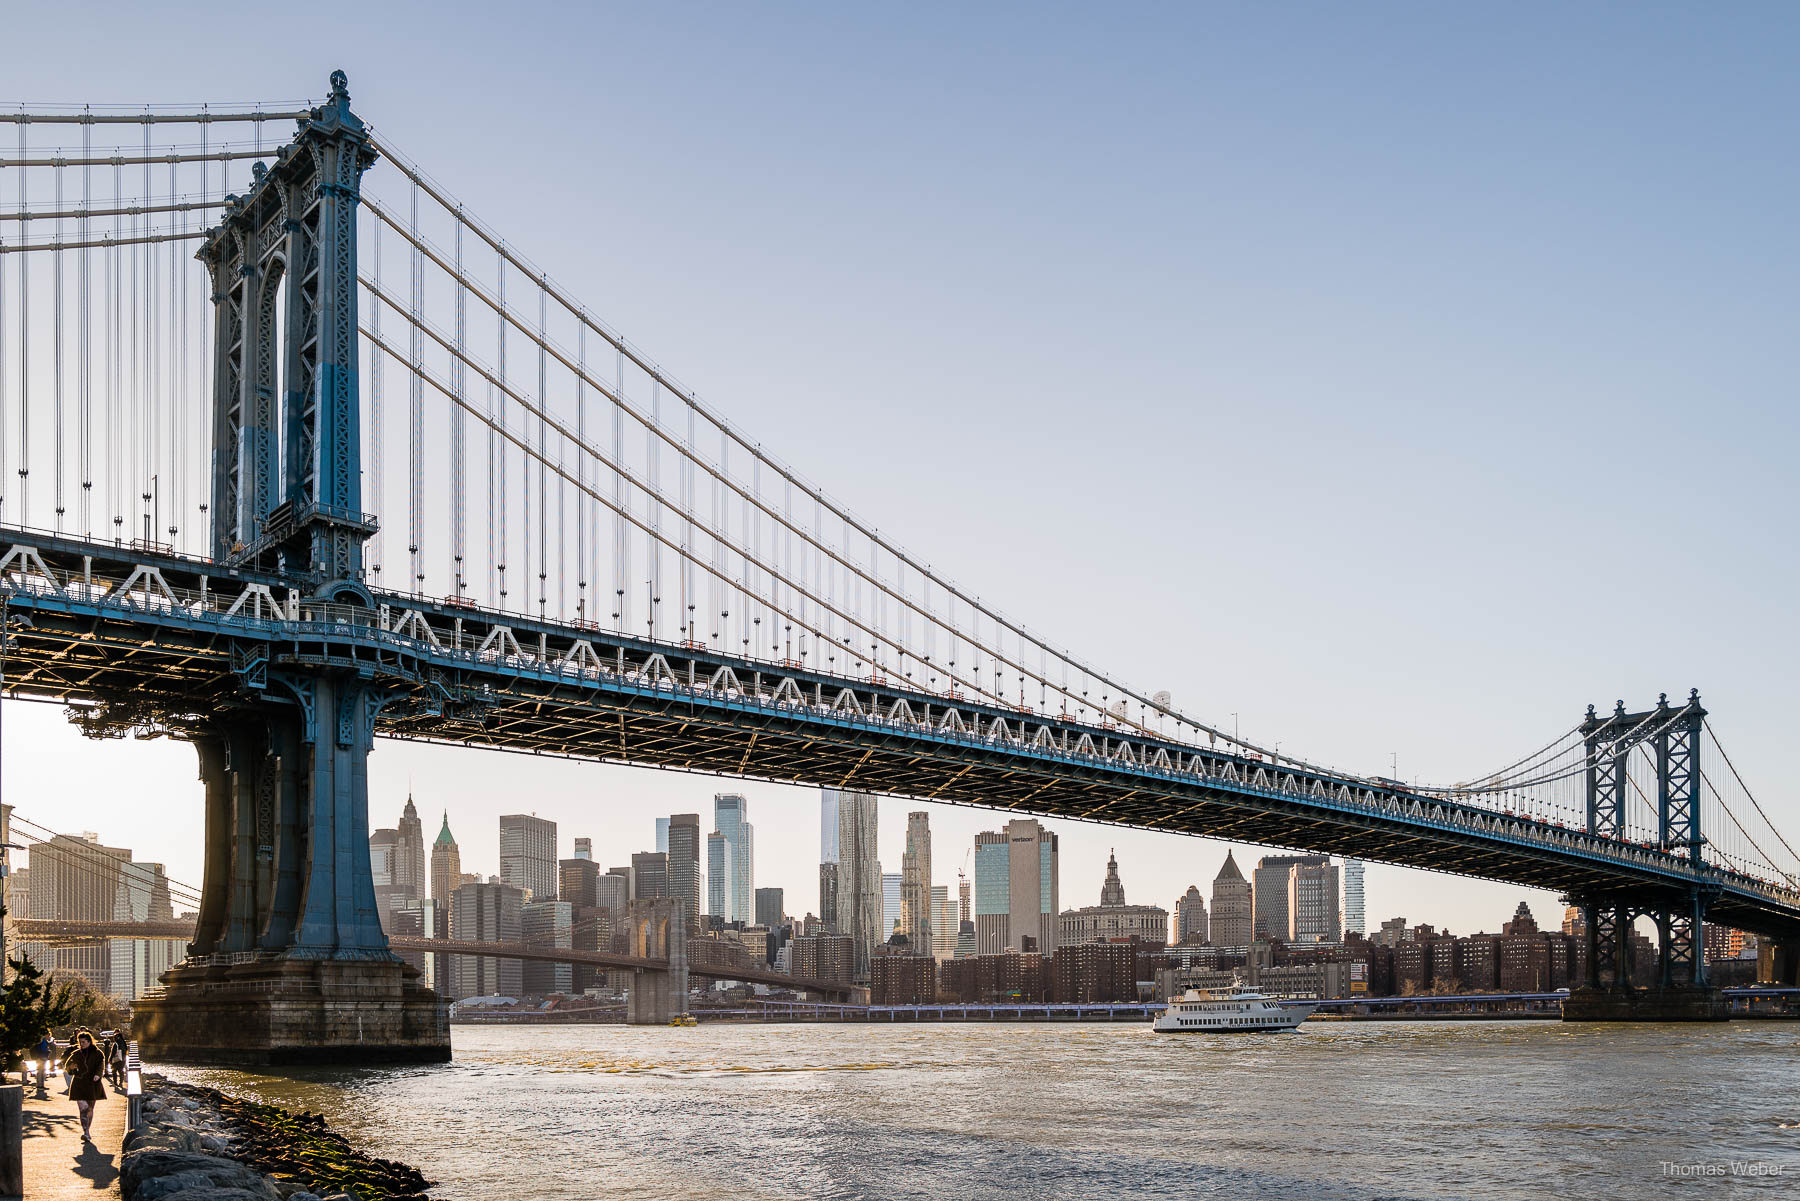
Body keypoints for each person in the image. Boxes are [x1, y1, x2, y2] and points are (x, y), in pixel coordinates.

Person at [60, 1029, 108, 1142]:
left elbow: (101, 1065)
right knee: (83, 1108)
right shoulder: (76, 1054)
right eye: (80, 1042)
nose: (81, 1044)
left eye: (83, 1042)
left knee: (90, 1108)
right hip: (79, 1083)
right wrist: (72, 1069)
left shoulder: (98, 1053)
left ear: (89, 1041)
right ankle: (85, 1131)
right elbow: (67, 1066)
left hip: (93, 1083)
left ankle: (87, 1131)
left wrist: (98, 1075)